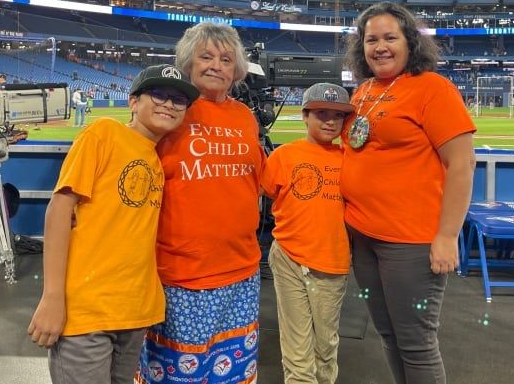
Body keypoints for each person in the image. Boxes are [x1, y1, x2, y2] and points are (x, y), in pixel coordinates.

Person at [27, 64, 199, 384]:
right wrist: (52, 298)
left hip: (135, 312)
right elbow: (59, 210)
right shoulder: (103, 132)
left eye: (178, 100)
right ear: (133, 102)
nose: (168, 104)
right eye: (158, 94)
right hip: (89, 311)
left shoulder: (157, 161)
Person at [339, 1, 476, 384]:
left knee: (415, 343)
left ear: (409, 43)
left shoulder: (433, 88)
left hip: (410, 242)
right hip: (363, 236)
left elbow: (462, 165)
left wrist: (448, 235)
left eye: (389, 38)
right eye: (371, 40)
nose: (379, 47)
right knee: (389, 335)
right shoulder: (363, 90)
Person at [136, 22, 267, 384]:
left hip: (241, 269)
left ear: (236, 69)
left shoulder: (244, 116)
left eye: (226, 59)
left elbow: (254, 179)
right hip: (182, 275)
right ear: (187, 63)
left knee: (232, 375)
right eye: (205, 56)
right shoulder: (171, 110)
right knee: (179, 375)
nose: (216, 65)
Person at [261, 82, 354, 384]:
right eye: (321, 113)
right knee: (297, 346)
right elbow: (265, 195)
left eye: (337, 116)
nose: (329, 121)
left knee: (325, 346)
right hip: (288, 257)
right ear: (305, 116)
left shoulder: (352, 160)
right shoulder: (284, 156)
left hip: (331, 262)